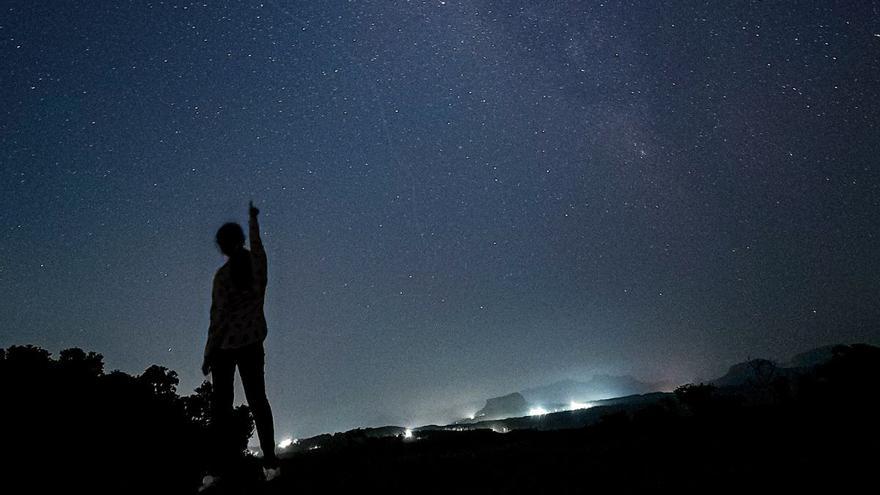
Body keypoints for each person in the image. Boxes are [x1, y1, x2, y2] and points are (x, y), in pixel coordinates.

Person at [201, 201, 279, 487]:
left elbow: (217, 319)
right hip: (252, 345)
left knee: (221, 410)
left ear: (222, 246)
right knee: (259, 401)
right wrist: (253, 219)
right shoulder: (258, 266)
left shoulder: (222, 277)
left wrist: (208, 354)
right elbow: (257, 246)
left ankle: (217, 468)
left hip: (225, 350)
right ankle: (270, 462)